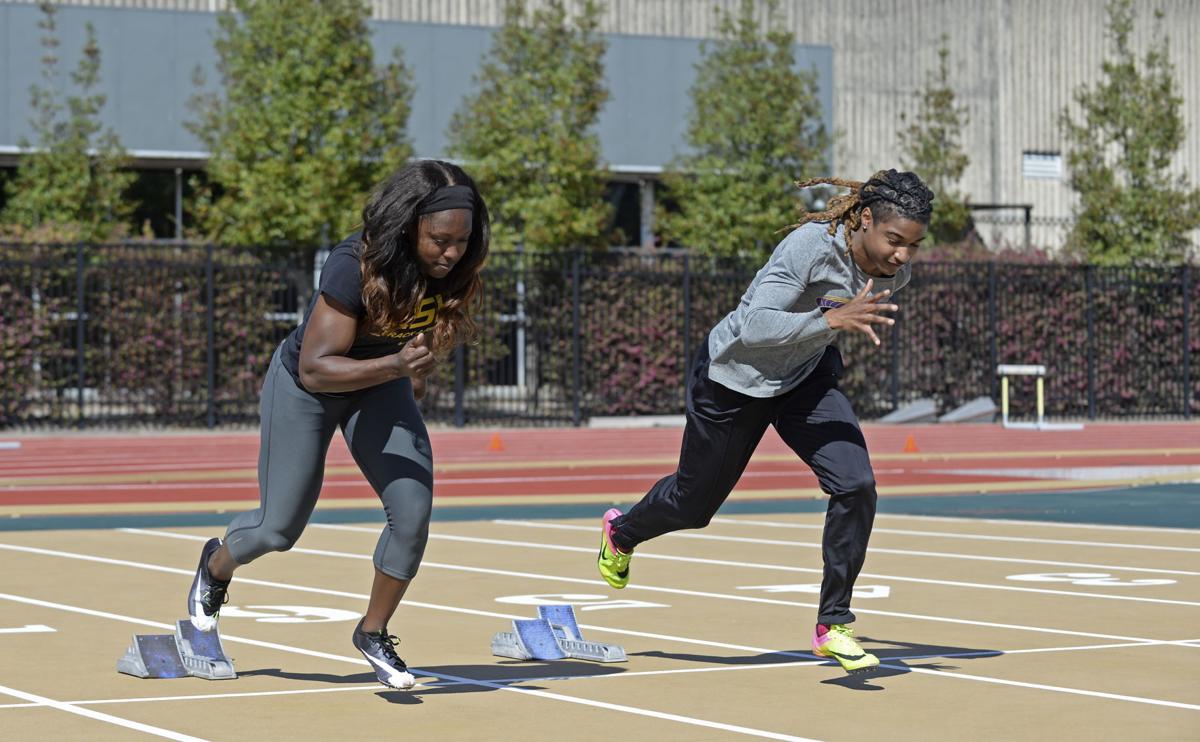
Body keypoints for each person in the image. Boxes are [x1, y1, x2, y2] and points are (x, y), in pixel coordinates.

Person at [597, 169, 933, 673]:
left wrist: (825, 330)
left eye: (914, 245)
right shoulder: (809, 247)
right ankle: (622, 532)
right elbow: (754, 324)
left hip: (804, 379)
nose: (903, 256)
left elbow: (829, 322)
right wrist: (827, 321)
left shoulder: (891, 273)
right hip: (734, 379)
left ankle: (833, 623)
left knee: (856, 483)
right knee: (694, 505)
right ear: (865, 219)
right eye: (895, 241)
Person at [186, 159, 490, 689]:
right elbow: (317, 367)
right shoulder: (356, 263)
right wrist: (397, 366)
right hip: (310, 387)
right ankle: (215, 565)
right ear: (408, 224)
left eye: (462, 242)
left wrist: (409, 370)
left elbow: (419, 332)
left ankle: (373, 632)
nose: (451, 253)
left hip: (379, 384)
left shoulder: (453, 268)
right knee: (278, 529)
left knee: (413, 513)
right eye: (440, 240)